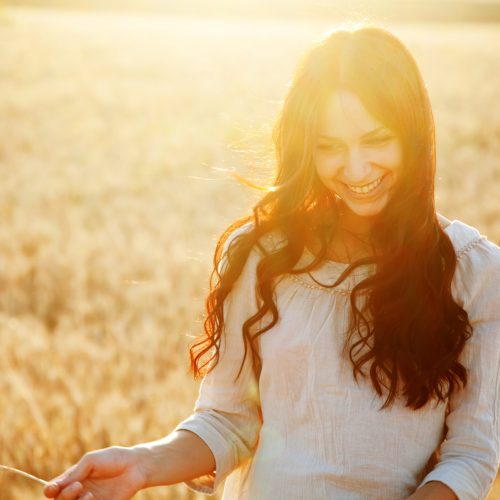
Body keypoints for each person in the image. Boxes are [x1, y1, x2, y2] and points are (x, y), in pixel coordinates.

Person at [43, 25, 500, 500]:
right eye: (330, 147)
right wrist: (142, 464)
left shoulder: (475, 274)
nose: (356, 169)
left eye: (377, 140)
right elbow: (227, 421)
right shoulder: (260, 257)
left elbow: (470, 455)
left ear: (414, 136)